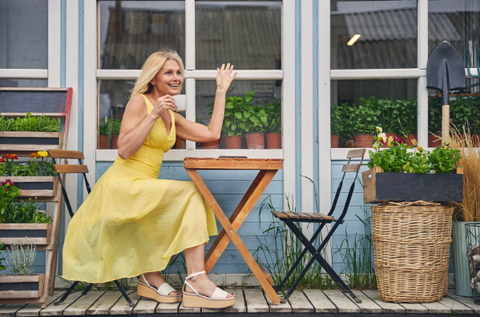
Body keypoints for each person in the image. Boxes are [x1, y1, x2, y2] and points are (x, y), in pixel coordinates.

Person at [62, 49, 237, 309]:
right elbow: (124, 149)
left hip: (143, 185)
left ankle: (150, 275)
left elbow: (211, 133)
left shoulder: (173, 116)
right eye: (169, 72)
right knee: (190, 192)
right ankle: (197, 280)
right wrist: (153, 114)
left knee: (193, 195)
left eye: (179, 72)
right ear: (153, 78)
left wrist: (221, 91)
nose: (176, 77)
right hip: (122, 184)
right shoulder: (140, 103)